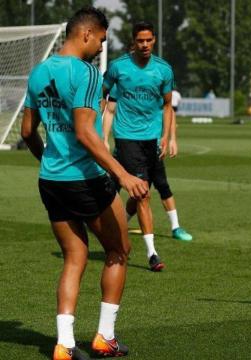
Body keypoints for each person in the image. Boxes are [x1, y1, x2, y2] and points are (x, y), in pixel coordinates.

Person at [21, 6, 147, 359]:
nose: (102, 48)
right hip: (86, 181)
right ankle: (104, 337)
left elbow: (27, 132)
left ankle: (64, 344)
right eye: (102, 40)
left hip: (51, 180)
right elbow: (86, 134)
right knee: (119, 252)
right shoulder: (88, 74)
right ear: (86, 34)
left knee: (74, 256)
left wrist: (47, 158)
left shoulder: (39, 71)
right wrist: (122, 174)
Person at [102, 21, 176, 271]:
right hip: (127, 138)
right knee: (143, 193)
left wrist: (166, 136)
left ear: (154, 40)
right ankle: (152, 253)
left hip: (153, 140)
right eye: (140, 40)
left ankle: (109, 219)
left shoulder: (164, 70)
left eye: (149, 40)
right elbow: (101, 95)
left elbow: (167, 106)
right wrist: (98, 131)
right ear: (133, 41)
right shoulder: (118, 67)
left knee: (135, 192)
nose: (144, 45)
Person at [103, 87, 193, 243]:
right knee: (116, 186)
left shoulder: (157, 82)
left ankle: (175, 227)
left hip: (154, 147)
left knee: (159, 185)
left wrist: (171, 139)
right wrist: (104, 139)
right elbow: (109, 110)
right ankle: (106, 221)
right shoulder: (122, 83)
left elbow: (168, 110)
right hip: (127, 146)